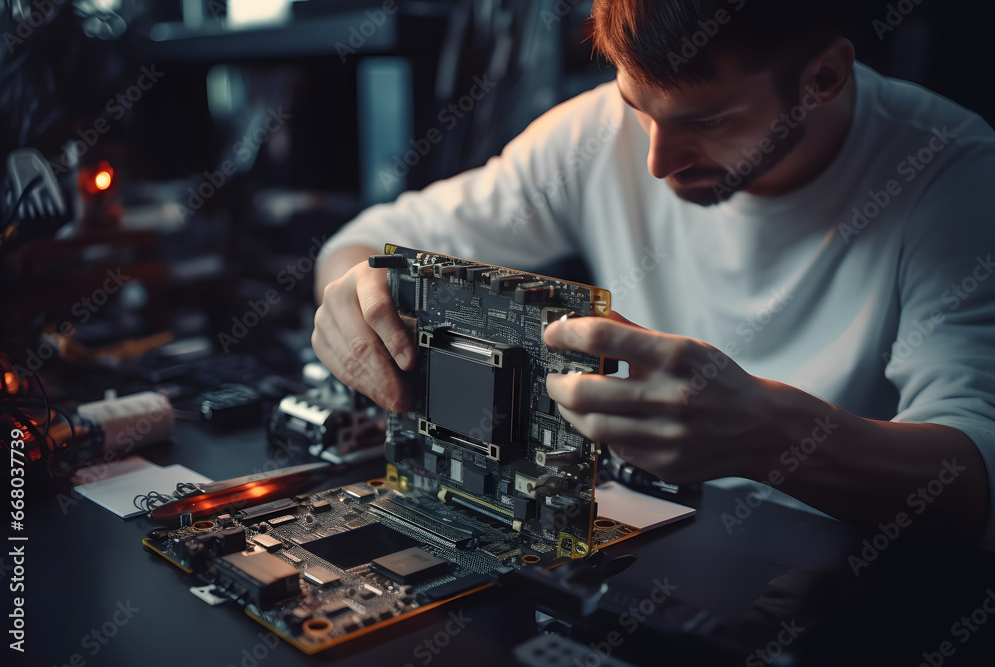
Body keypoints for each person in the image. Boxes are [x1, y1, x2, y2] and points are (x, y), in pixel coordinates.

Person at [312, 0, 995, 544]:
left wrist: (773, 436)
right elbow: (362, 243)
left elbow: (975, 480)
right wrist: (352, 300)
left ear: (823, 77)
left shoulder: (954, 176)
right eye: (637, 109)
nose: (658, 162)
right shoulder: (589, 134)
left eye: (712, 120)